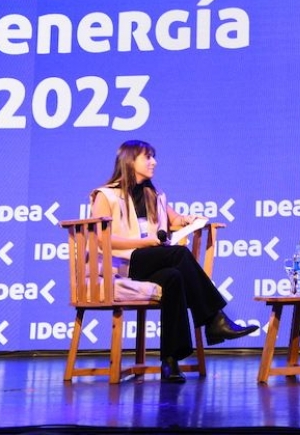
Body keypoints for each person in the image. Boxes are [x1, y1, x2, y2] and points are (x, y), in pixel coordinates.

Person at [90, 140, 258, 383]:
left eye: (153, 157)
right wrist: (143, 243)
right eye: (148, 157)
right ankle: (214, 319)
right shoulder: (106, 195)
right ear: (130, 161)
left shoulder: (154, 195)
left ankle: (170, 361)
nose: (154, 162)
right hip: (121, 266)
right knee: (179, 254)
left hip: (149, 264)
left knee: (174, 278)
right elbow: (99, 239)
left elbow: (174, 220)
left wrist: (189, 220)